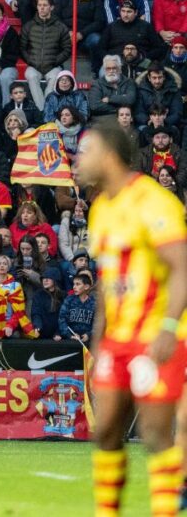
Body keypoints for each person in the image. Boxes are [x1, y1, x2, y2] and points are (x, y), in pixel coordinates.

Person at [78, 118, 187, 517]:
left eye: (85, 152)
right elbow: (109, 284)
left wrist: (169, 327)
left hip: (155, 333)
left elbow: (181, 267)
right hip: (118, 340)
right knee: (105, 430)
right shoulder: (101, 209)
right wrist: (98, 343)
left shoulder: (154, 201)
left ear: (108, 156)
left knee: (155, 432)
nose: (78, 161)